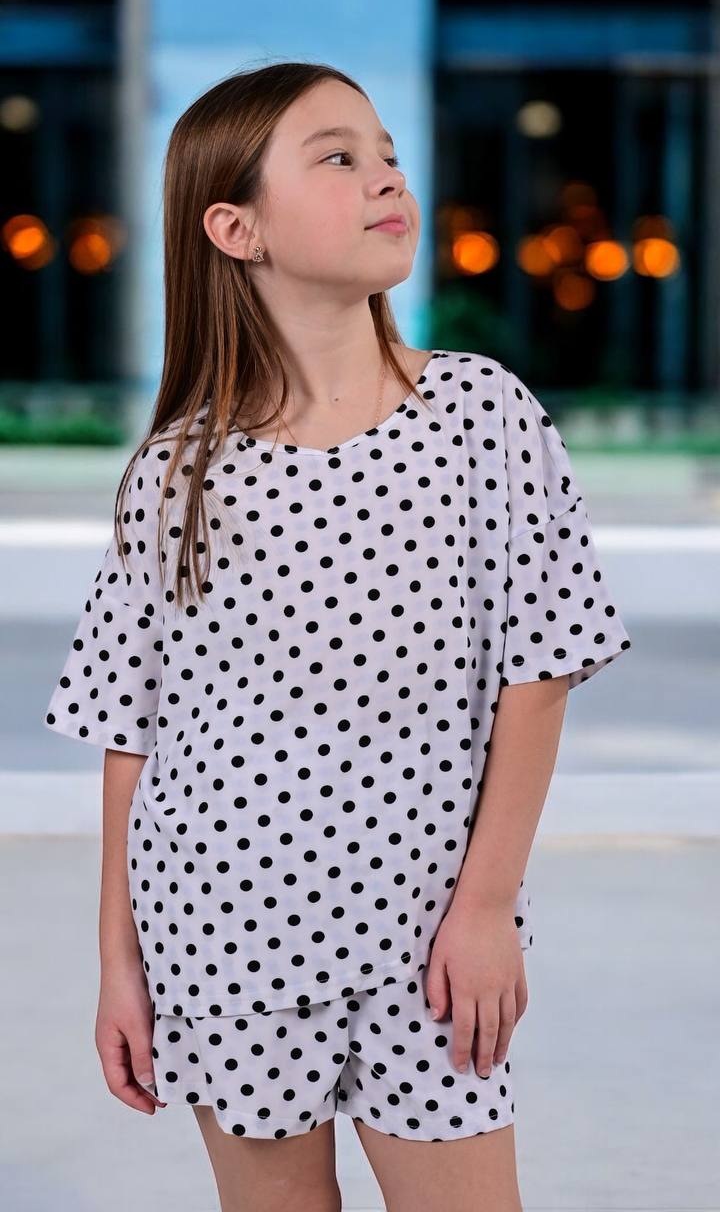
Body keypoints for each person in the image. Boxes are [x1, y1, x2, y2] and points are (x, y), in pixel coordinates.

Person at [44, 61, 632, 1212]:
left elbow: (541, 666)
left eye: (388, 154)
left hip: (430, 937)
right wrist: (119, 964)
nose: (386, 178)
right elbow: (134, 730)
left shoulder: (481, 414)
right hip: (219, 932)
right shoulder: (177, 471)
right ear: (237, 228)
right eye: (339, 157)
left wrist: (486, 906)